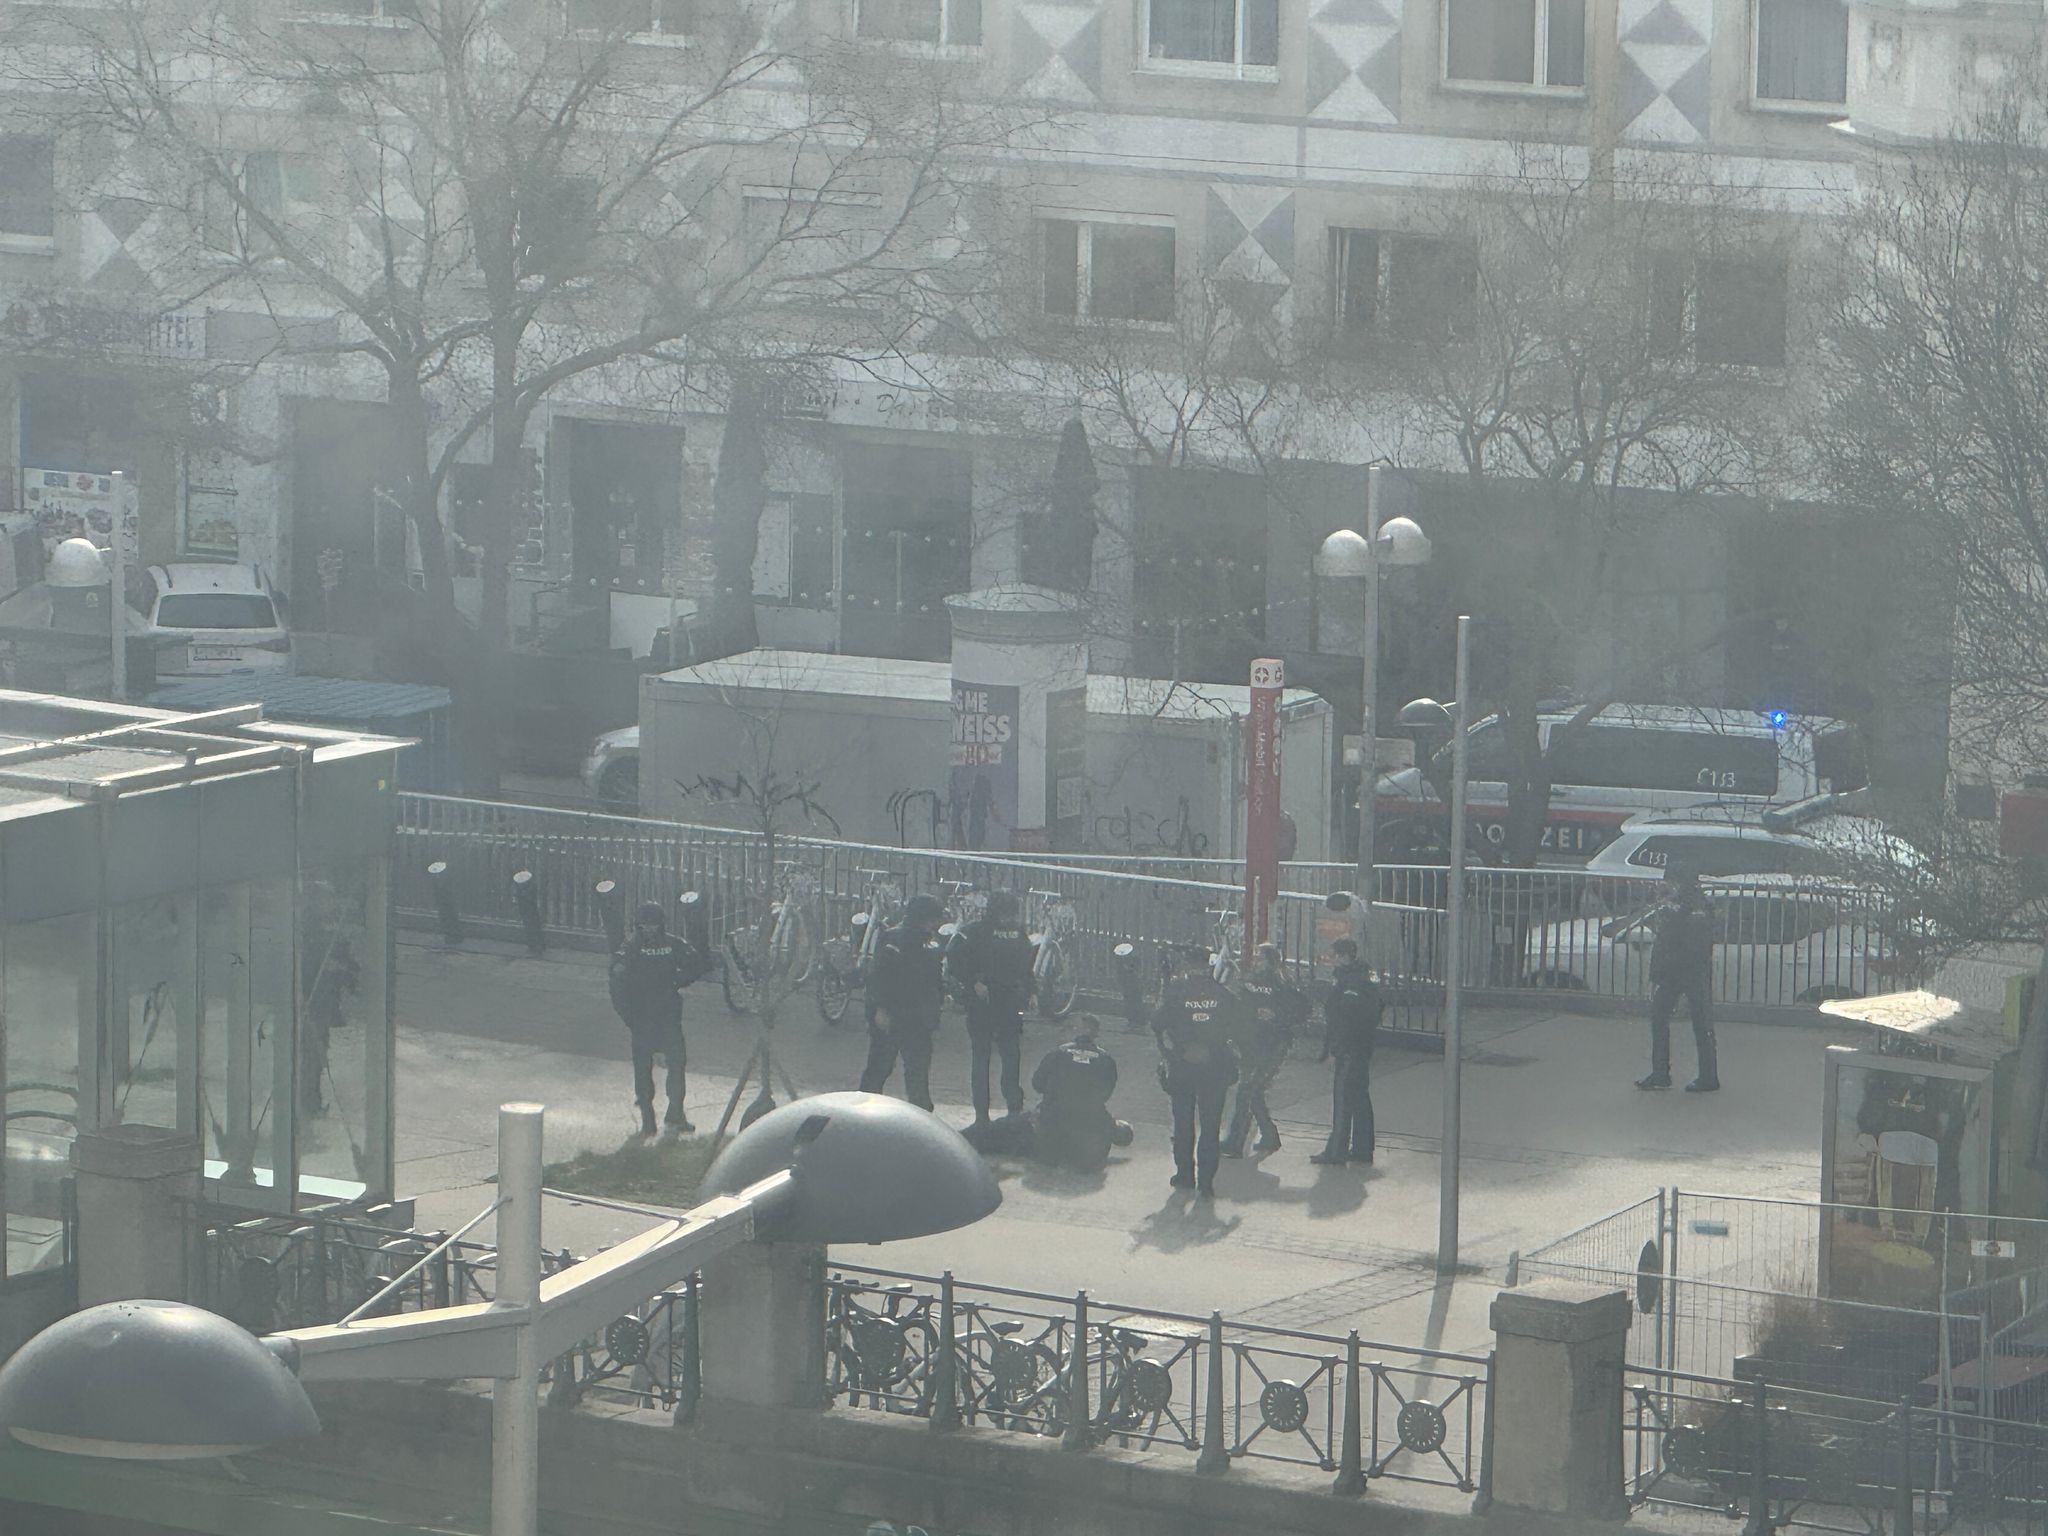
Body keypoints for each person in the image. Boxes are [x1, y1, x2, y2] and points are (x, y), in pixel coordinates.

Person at [609, 901, 702, 1138]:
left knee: (677, 1065)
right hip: (643, 1018)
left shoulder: (670, 944)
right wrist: (630, 1018)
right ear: (638, 926)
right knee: (643, 1071)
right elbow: (617, 986)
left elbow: (696, 964)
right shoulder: (630, 948)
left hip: (668, 1016)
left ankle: (675, 1114)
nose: (649, 929)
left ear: (661, 925)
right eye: (644, 926)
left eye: (653, 925)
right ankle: (647, 1121)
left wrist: (679, 981)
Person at [945, 888, 1038, 1126]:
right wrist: (972, 982)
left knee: (1011, 1057)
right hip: (982, 1004)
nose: (1009, 919)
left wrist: (1031, 991)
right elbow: (953, 958)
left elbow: (1026, 964)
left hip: (1008, 1002)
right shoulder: (974, 932)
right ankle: (981, 1115)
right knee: (981, 1058)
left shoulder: (1017, 934)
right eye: (1006, 914)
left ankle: (1014, 1109)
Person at [1153, 945, 1239, 1198]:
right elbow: (1240, 1026)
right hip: (1215, 1067)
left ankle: (1185, 1175)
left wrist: (1169, 1054)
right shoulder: (1222, 993)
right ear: (1209, 964)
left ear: (1187, 964)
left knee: (1182, 1123)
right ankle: (1206, 1182)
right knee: (1211, 1126)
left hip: (1182, 1066)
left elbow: (1157, 1023)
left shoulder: (1175, 991)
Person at [860, 893, 947, 1111]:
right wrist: (880, 1008)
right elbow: (878, 976)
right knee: (880, 1067)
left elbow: (935, 979)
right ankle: (863, 1108)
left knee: (917, 1072)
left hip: (919, 1015)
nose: (935, 924)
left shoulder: (933, 942)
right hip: (893, 1011)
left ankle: (921, 1113)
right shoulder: (894, 938)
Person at [1637, 866, 1720, 1093]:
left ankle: (1708, 1077)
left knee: (1701, 1024)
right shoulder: (1676, 904)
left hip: (1690, 972)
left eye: (1670, 881)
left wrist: (1667, 969)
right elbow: (1664, 940)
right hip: (1673, 972)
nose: (1665, 886)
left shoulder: (1696, 906)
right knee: (1659, 1019)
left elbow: (1692, 945)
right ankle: (1660, 1073)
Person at [1222, 943, 1307, 1158]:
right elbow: (1238, 1006)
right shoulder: (1249, 981)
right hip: (1251, 1044)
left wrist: (1276, 1015)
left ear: (1271, 961)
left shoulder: (1282, 984)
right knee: (1253, 1091)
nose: (1257, 961)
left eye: (1261, 958)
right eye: (1256, 957)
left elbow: (1300, 1010)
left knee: (1247, 1090)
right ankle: (1269, 1135)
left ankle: (1235, 1141)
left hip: (1272, 1045)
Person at [1312, 938, 1381, 1166]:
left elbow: (1345, 1020)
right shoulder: (1366, 976)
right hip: (1362, 1047)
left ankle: (1337, 1150)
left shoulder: (1350, 981)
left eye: (1333, 956)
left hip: (1349, 1050)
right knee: (1359, 1097)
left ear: (1343, 956)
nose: (1331, 961)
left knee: (1343, 1099)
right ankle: (1362, 1148)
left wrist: (1335, 1050)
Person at [1030, 1013, 1128, 1173]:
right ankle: (1084, 1153)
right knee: (1121, 1131)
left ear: (1076, 1030)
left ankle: (1050, 1148)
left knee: (1034, 1118)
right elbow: (1106, 1093)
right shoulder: (1106, 1059)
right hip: (1089, 1119)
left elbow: (1037, 1084)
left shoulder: (1057, 1053)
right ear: (1096, 1034)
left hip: (1054, 1116)